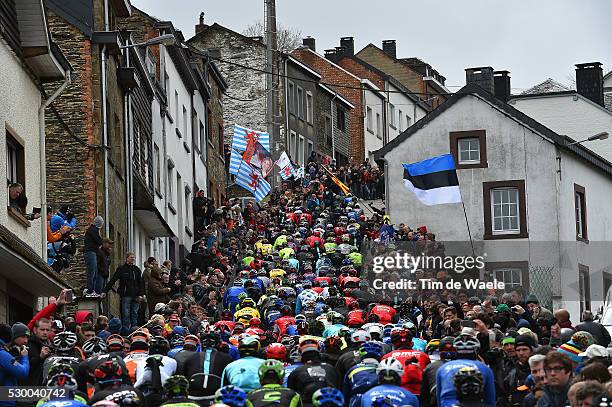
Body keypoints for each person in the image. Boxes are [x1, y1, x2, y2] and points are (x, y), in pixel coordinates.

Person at [435, 334, 495, 407]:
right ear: (475, 351)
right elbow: (490, 400)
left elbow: (438, 398)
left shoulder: (443, 368)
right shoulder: (485, 368)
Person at [102, 252, 145, 331]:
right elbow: (113, 279)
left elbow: (141, 283)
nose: (133, 259)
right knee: (126, 314)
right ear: (127, 258)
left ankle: (134, 329)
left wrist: (142, 294)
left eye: (133, 257)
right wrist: (105, 291)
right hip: (126, 295)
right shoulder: (121, 269)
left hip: (136, 295)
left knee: (135, 314)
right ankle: (126, 330)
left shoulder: (137, 270)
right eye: (131, 257)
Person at [83, 216, 105, 297]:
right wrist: (99, 236)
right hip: (90, 253)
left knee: (94, 272)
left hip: (92, 253)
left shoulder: (92, 230)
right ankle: (89, 290)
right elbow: (99, 241)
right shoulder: (93, 230)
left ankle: (92, 290)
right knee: (91, 272)